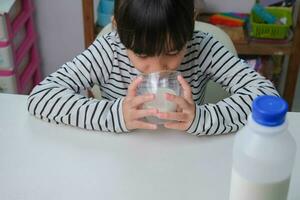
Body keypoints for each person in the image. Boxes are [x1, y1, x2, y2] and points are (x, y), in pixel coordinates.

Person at [27, 0, 278, 136]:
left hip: (188, 159)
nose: (156, 68)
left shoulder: (203, 47)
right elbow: (42, 97)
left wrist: (203, 117)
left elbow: (266, 96)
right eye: (142, 54)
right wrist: (116, 115)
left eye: (171, 52)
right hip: (122, 159)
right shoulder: (108, 50)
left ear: (191, 25)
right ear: (117, 29)